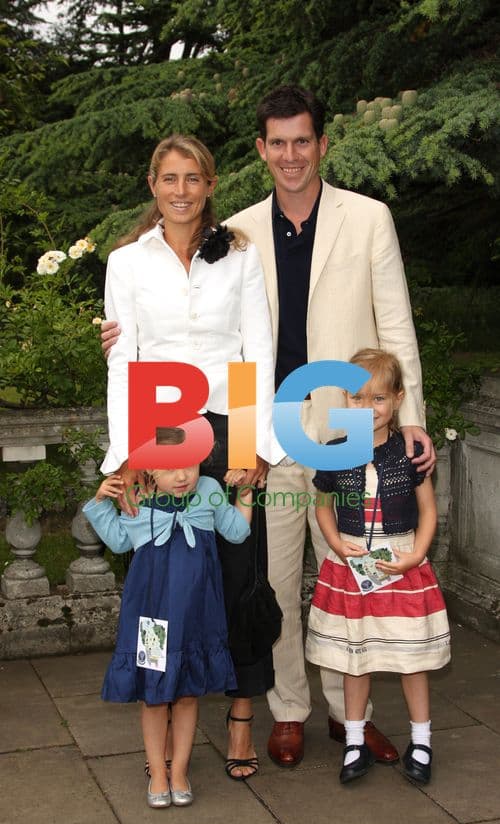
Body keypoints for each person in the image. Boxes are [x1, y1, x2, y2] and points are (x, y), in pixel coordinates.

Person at [102, 85, 436, 768]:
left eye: (302, 140)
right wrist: (121, 340)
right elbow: (194, 313)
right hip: (275, 426)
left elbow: (395, 323)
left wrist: (411, 419)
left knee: (360, 571)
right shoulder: (241, 233)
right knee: (275, 581)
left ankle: (356, 718)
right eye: (277, 142)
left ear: (321, 144)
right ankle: (288, 711)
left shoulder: (369, 219)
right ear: (261, 150)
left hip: (350, 426)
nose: (290, 154)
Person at [100, 133, 278, 781]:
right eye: (169, 178)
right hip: (163, 429)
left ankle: (238, 719)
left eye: (192, 178)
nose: (180, 191)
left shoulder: (239, 255)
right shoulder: (127, 262)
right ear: (153, 184)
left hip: (229, 423)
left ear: (209, 185)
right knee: (159, 585)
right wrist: (127, 457)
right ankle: (159, 712)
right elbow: (125, 362)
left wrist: (255, 443)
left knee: (238, 575)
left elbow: (256, 348)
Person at [83, 436, 254, 808]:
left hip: (198, 615)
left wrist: (244, 493)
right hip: (152, 616)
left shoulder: (208, 490)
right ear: (149, 472)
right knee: (155, 697)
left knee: (188, 692)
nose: (183, 476)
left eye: (190, 466)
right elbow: (116, 541)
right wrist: (99, 502)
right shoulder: (140, 500)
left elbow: (237, 532)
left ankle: (179, 772)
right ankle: (158, 774)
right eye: (171, 469)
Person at [306, 349, 451, 784]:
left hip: (400, 564)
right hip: (350, 567)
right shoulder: (333, 453)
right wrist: (333, 542)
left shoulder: (408, 454)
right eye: (357, 398)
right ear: (344, 401)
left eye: (379, 400)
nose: (367, 410)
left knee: (412, 658)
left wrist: (417, 554)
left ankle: (421, 741)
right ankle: (354, 741)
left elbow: (428, 511)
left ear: (398, 400)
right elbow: (323, 507)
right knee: (356, 656)